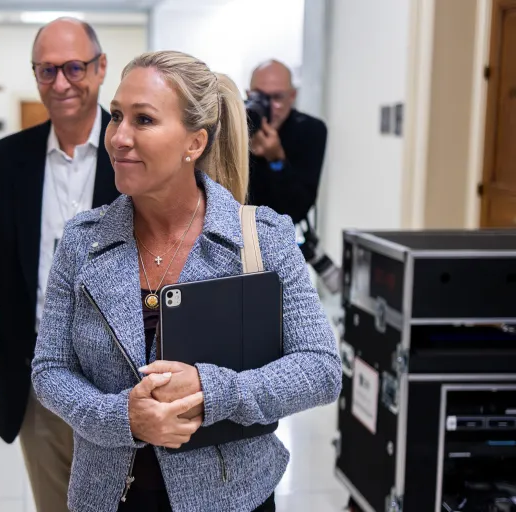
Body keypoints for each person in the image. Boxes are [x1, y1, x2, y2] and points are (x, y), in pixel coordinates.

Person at [31, 50, 342, 512]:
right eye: (116, 116)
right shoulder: (83, 243)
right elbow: (50, 370)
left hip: (233, 498)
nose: (118, 137)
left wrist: (212, 391)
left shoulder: (261, 239)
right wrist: (124, 418)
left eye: (144, 120)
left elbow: (320, 368)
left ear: (193, 144)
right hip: (110, 498)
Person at [0, 17, 120, 512]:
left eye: (74, 67)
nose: (61, 83)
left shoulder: (133, 154)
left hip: (124, 384)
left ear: (101, 68)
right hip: (38, 380)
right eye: (46, 71)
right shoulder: (2, 163)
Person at [246, 59, 328, 224]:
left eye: (277, 97)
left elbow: (297, 209)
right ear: (247, 95)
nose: (268, 106)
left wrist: (276, 160)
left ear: (292, 96)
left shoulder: (309, 130)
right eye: (259, 96)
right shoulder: (234, 128)